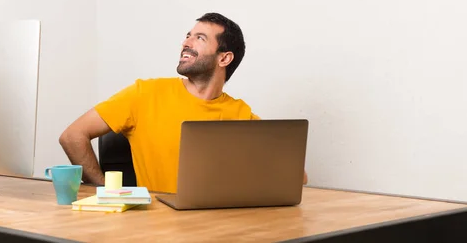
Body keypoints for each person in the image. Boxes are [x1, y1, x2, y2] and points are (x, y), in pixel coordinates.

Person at [59, 12, 308, 193]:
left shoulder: (241, 114)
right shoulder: (144, 93)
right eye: (187, 36)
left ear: (225, 58)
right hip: (155, 228)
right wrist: (104, 190)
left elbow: (298, 177)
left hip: (219, 229)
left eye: (199, 38)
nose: (186, 43)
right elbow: (72, 136)